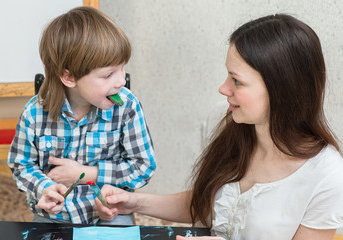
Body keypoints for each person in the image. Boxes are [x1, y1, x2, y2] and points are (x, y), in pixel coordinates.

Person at [94, 13, 343, 239]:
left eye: (236, 81)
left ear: (281, 89)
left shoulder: (327, 174)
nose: (223, 88)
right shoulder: (233, 126)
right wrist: (135, 202)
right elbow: (210, 204)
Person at [7, 6, 156, 225]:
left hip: (111, 213)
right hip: (55, 215)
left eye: (122, 68)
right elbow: (21, 165)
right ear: (69, 77)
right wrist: (45, 189)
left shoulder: (127, 106)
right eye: (108, 74)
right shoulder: (34, 113)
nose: (121, 81)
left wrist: (86, 174)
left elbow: (143, 166)